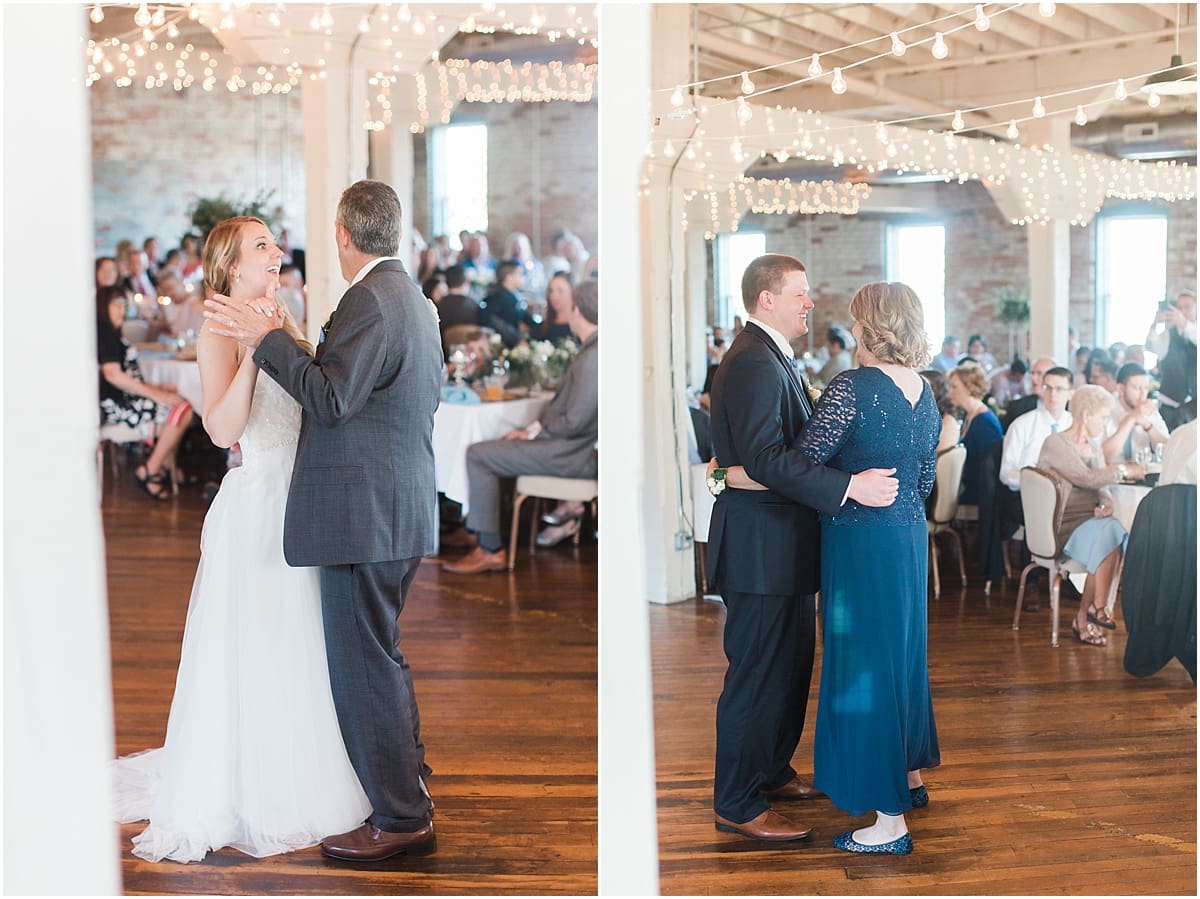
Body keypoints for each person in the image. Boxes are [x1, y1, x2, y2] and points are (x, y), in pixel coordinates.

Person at [111, 216, 370, 864]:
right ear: (230, 266)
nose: (277, 252)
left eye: (273, 245)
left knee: (301, 642)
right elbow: (225, 427)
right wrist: (258, 347)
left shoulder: (285, 310)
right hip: (259, 503)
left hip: (303, 494)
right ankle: (256, 781)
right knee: (261, 641)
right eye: (262, 246)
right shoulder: (217, 330)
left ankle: (304, 761)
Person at [204, 181, 444, 862]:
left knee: (368, 663)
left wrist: (271, 340)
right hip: (381, 503)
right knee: (380, 657)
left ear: (344, 234)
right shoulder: (413, 299)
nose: (279, 251)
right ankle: (407, 786)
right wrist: (270, 340)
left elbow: (333, 400)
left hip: (364, 510)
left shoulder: (371, 298)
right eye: (263, 244)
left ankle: (400, 817)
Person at [715, 279, 938, 855]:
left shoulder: (853, 387)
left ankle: (888, 820)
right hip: (909, 537)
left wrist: (728, 474)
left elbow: (798, 461)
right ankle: (908, 779)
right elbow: (923, 480)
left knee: (864, 667)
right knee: (902, 657)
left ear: (870, 326)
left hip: (861, 544)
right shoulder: (926, 391)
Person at [441, 280, 600, 573]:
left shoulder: (593, 355)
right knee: (490, 446)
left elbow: (574, 421)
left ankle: (489, 548)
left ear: (577, 310)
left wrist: (536, 430)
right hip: (569, 446)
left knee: (478, 454)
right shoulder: (590, 350)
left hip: (569, 453)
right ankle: (479, 531)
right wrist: (532, 430)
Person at [1036, 385, 1145, 644]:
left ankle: (1090, 613)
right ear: (1086, 415)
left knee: (1112, 530)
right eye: (1104, 417)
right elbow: (1085, 478)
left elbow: (1099, 486)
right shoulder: (1056, 443)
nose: (1106, 422)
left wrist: (1106, 499)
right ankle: (1091, 613)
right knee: (1113, 533)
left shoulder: (1092, 445)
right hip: (1059, 526)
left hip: (1089, 522)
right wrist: (1124, 471)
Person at [96, 284, 195, 500]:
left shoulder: (112, 332)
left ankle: (165, 468)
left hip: (126, 397)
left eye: (124, 304)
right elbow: (113, 375)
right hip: (118, 404)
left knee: (179, 403)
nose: (122, 309)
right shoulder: (105, 334)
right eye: (117, 304)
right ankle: (151, 469)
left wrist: (157, 389)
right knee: (181, 408)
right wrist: (157, 394)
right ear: (104, 306)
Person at [1000, 366, 1073, 492]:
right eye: (1048, 388)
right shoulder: (1022, 425)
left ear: (1071, 393)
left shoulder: (1074, 424)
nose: (1052, 394)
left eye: (1059, 389)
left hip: (1067, 495)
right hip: (1028, 495)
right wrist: (1039, 483)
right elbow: (1006, 473)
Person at [948, 360, 1002, 505]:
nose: (950, 392)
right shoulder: (970, 415)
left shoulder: (985, 423)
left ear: (969, 388)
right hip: (966, 484)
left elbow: (987, 471)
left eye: (954, 387)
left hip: (979, 492)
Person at [1146, 289, 1196, 431]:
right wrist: (1155, 325)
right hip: (1169, 406)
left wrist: (1185, 324)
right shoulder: (1168, 335)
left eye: (1187, 307)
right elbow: (1151, 347)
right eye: (1179, 307)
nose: (1182, 311)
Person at [1103, 362, 1169, 463]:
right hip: (1113, 475)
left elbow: (1169, 451)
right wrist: (1130, 419)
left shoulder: (1149, 409)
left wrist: (1148, 427)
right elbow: (1103, 458)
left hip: (1145, 473)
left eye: (1146, 388)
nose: (1143, 394)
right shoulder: (1105, 410)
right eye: (1137, 388)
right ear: (1121, 389)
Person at [482, 260, 535, 347]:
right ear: (509, 277)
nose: (523, 277)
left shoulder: (513, 296)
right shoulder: (499, 298)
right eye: (520, 274)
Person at [1003, 356, 1056, 428]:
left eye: (1039, 373)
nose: (1033, 378)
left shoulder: (1070, 408)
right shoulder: (1016, 408)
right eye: (1032, 373)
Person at [920, 369, 960, 452]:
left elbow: (938, 460)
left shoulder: (947, 422)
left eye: (925, 388)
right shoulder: (920, 415)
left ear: (938, 392)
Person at [534, 271, 575, 343]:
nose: (554, 296)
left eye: (560, 291)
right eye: (551, 291)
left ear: (572, 291)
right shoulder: (543, 327)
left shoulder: (579, 326)